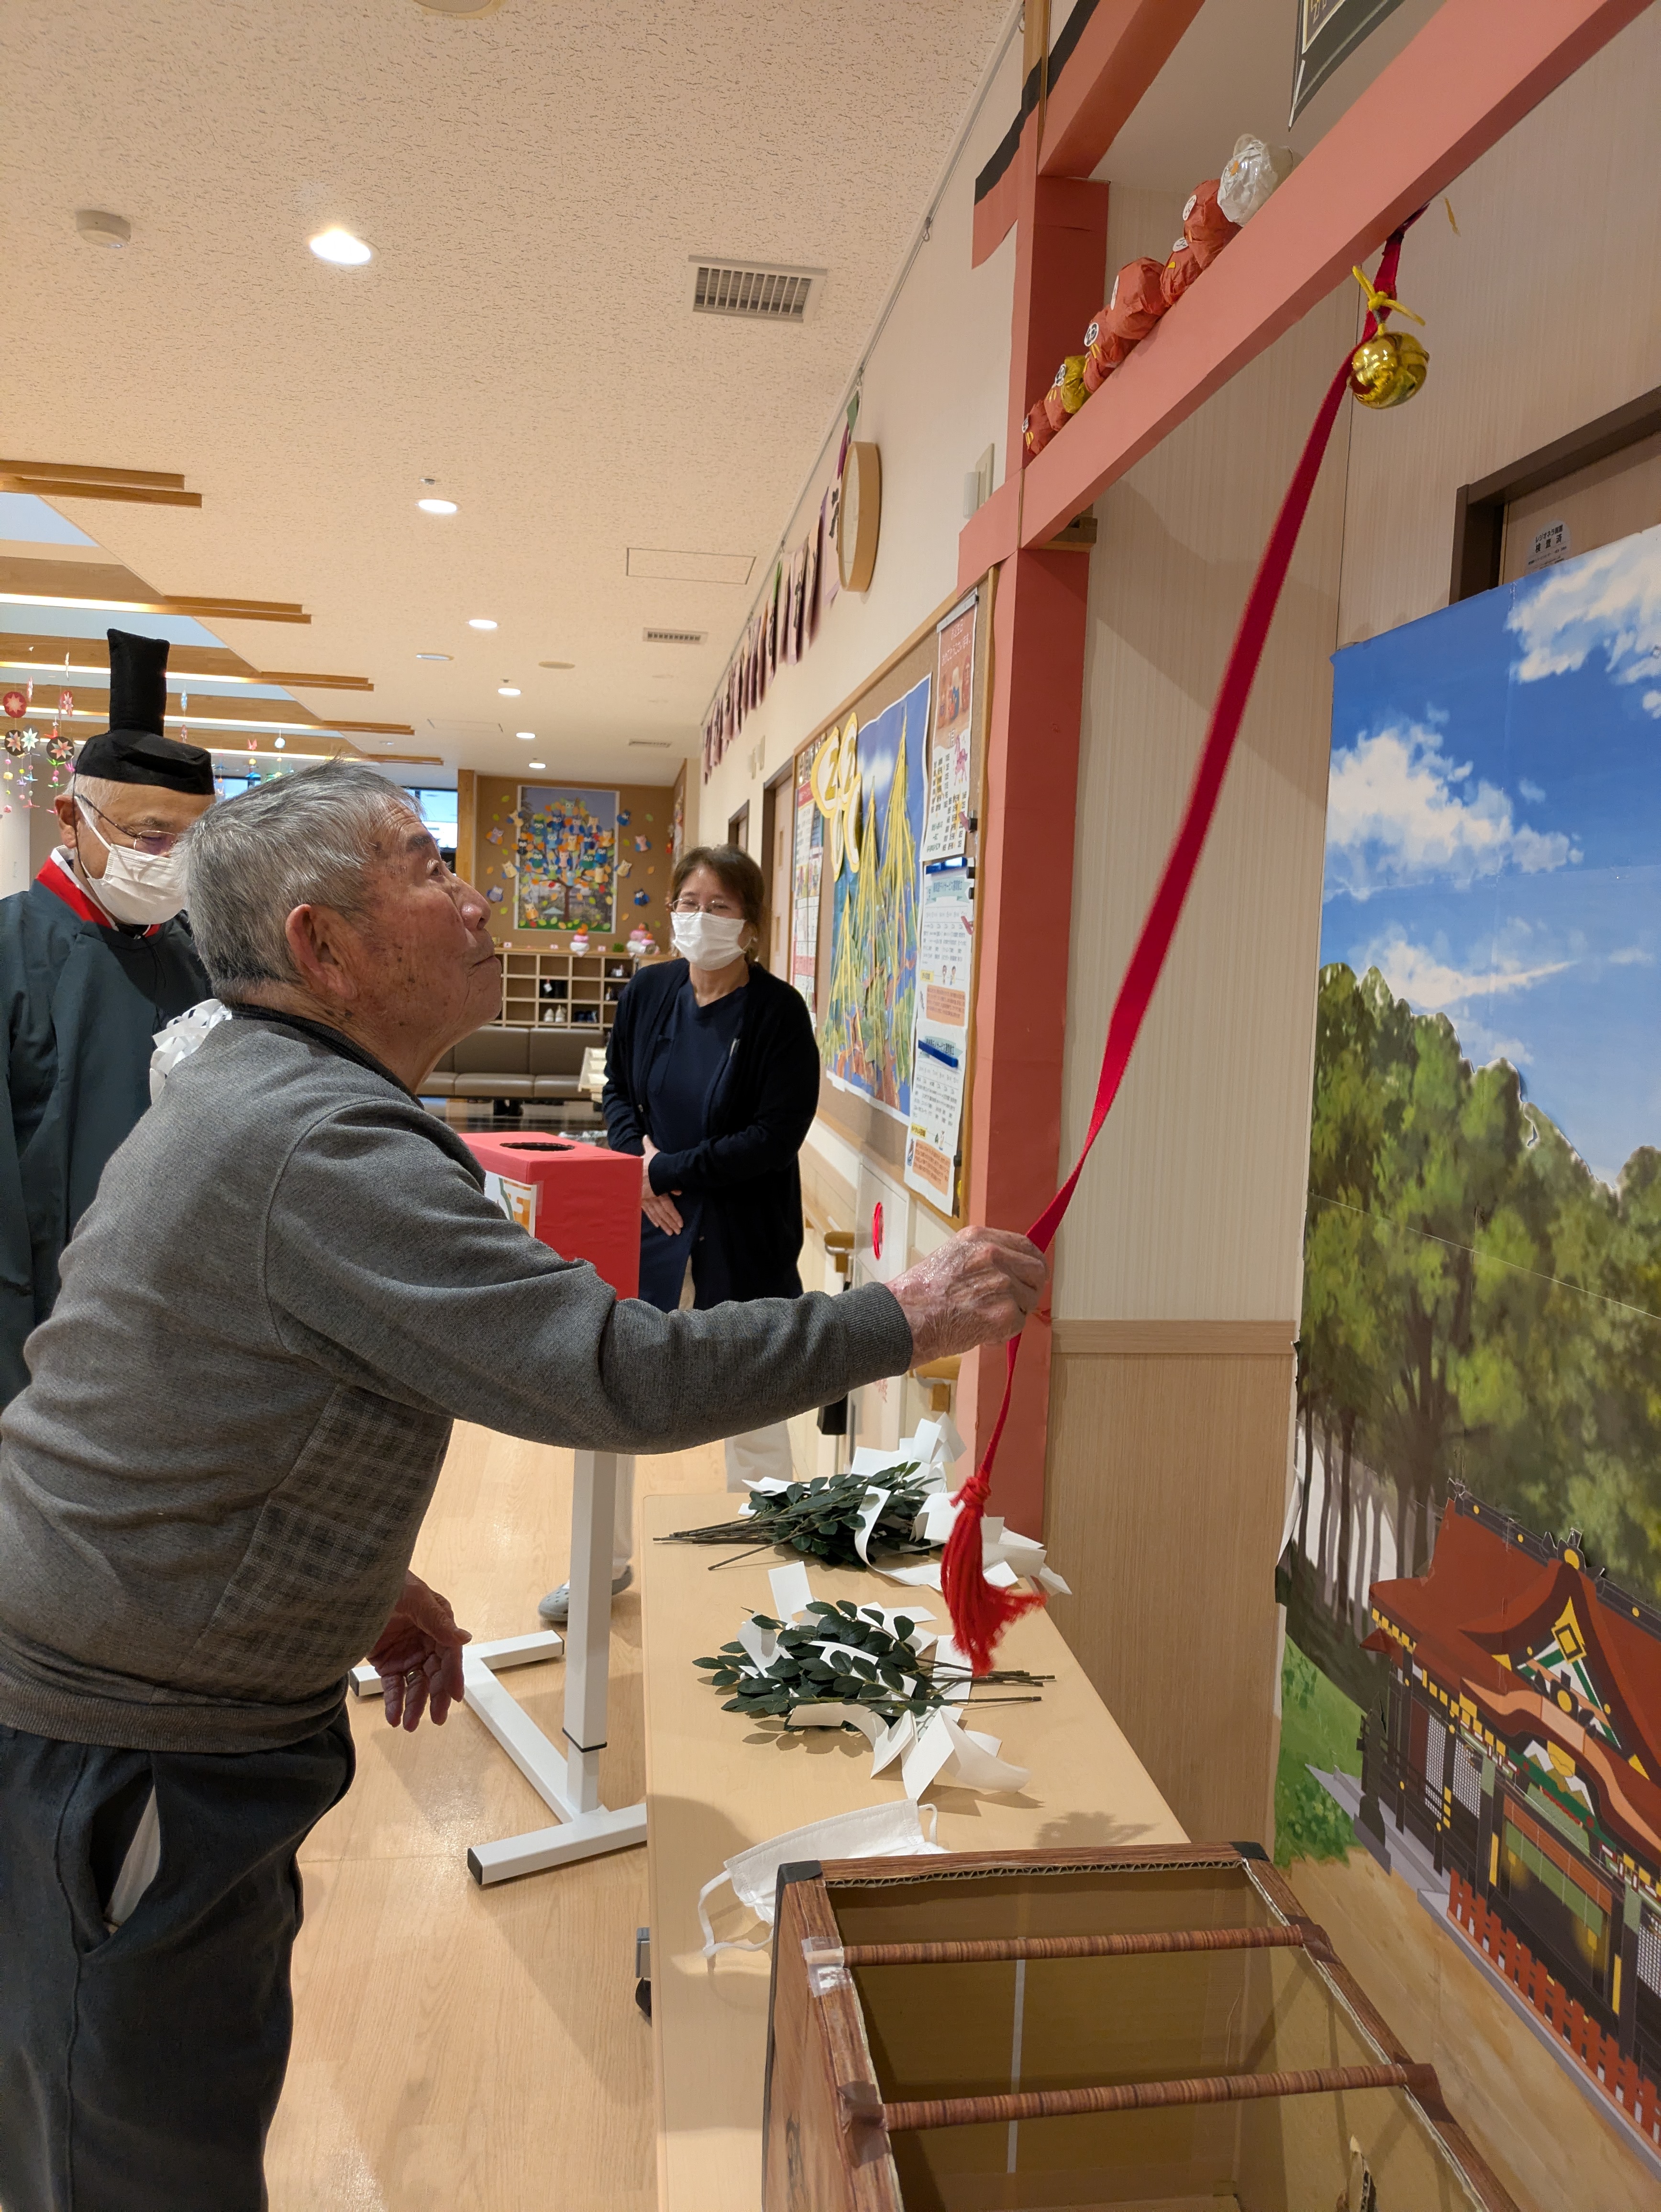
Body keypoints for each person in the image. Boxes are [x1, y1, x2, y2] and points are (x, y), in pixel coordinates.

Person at [0, 763, 1047, 2212]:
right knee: (126, 2162)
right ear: (323, 947)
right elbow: (615, 1374)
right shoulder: (318, 1140)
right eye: (427, 866)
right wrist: (903, 1316)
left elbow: (197, 1396)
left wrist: (353, 1580)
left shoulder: (267, 1095)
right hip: (121, 1750)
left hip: (147, 1711)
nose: (477, 895)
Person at [539, 842, 818, 1625]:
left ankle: (773, 1581)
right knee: (616, 1392)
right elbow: (618, 1091)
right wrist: (636, 1166)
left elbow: (774, 1137)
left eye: (719, 906)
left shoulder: (777, 1013)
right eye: (688, 904)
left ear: (751, 923)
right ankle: (600, 1566)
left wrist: (666, 1171)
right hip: (647, 1228)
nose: (701, 919)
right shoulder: (651, 991)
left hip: (740, 1233)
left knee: (755, 1402)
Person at [0, 628, 215, 1405]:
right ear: (70, 818)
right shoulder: (11, 954)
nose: (168, 861)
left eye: (192, 844)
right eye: (151, 837)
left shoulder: (202, 959)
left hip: (182, 1324)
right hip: (42, 1329)